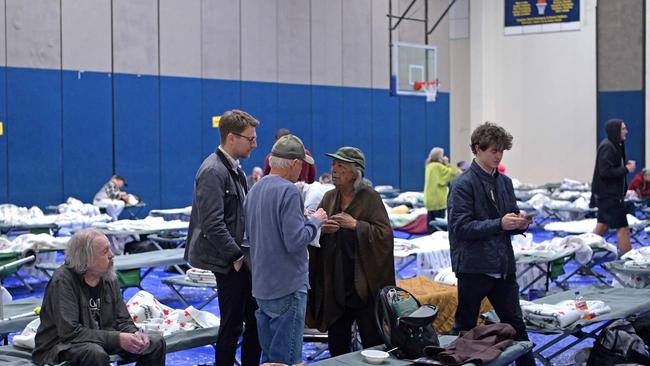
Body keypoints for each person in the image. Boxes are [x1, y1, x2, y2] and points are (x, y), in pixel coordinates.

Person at [447, 122, 535, 366]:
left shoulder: (505, 182)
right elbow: (460, 228)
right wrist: (500, 224)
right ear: (477, 149)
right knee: (464, 329)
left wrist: (520, 223)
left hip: (503, 267)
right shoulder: (462, 184)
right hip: (474, 268)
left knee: (517, 326)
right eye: (493, 151)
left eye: (501, 151)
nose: (498, 156)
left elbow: (510, 216)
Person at [184, 109, 262, 366]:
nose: (255, 144)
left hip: (240, 258)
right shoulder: (213, 171)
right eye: (250, 139)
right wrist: (236, 256)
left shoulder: (234, 169)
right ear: (232, 137)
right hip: (230, 261)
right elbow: (212, 224)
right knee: (231, 326)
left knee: (253, 320)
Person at [244, 134, 328, 364]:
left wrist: (300, 219)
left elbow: (254, 235)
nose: (302, 170)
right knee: (287, 360)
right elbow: (295, 241)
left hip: (262, 287)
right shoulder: (289, 191)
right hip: (287, 286)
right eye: (301, 164)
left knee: (271, 359)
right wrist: (316, 221)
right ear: (293, 163)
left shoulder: (255, 190)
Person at [307, 147, 394, 356]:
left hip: (363, 284)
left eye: (341, 167)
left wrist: (356, 225)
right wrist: (322, 229)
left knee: (372, 340)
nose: (334, 171)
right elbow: (314, 229)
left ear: (355, 172)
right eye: (334, 166)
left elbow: (385, 235)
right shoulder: (329, 197)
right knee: (337, 341)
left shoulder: (370, 198)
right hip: (335, 282)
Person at [33, 228, 166, 366]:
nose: (111, 255)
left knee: (155, 343)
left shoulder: (108, 275)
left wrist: (135, 335)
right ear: (85, 258)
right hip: (61, 346)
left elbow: (122, 320)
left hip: (101, 338)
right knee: (94, 353)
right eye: (105, 251)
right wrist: (118, 339)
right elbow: (70, 333)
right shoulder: (63, 281)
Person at [591, 118, 636, 255]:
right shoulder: (608, 146)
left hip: (608, 195)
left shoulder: (615, 145)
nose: (626, 131)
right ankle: (627, 262)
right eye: (623, 129)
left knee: (602, 227)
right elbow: (605, 172)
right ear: (615, 130)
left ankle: (583, 258)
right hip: (609, 196)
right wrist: (627, 169)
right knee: (623, 229)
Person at [423, 147, 461, 229]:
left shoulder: (429, 166)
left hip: (429, 200)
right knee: (439, 226)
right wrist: (447, 163)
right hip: (438, 201)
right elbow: (455, 172)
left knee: (430, 224)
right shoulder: (438, 167)